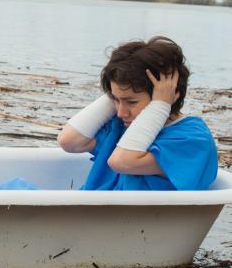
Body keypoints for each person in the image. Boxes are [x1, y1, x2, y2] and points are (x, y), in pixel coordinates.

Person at [57, 36, 218, 191]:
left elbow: (121, 162)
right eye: (115, 100)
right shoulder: (122, 125)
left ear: (166, 95)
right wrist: (117, 86)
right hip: (92, 212)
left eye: (131, 102)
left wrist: (160, 106)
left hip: (120, 217)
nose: (120, 112)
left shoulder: (191, 140)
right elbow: (69, 141)